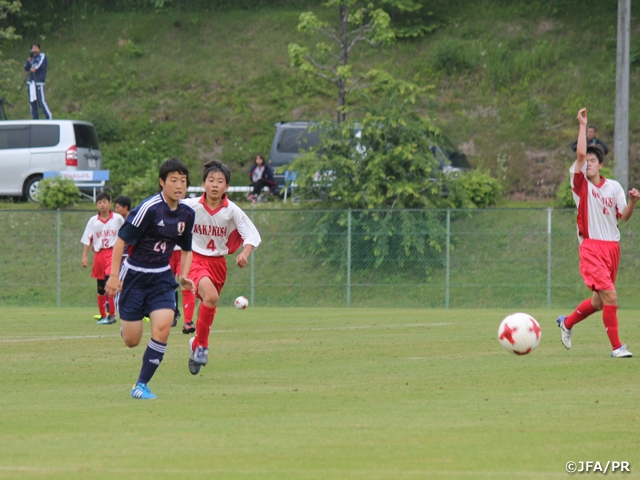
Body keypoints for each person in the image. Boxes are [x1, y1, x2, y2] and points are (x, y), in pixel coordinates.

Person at [105, 158, 196, 400]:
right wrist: (114, 276)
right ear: (162, 183)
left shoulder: (187, 213)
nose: (179, 186)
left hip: (161, 278)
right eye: (173, 181)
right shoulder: (149, 209)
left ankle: (141, 385)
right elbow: (121, 241)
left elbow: (186, 248)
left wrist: (185, 275)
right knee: (132, 341)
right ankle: (127, 326)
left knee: (163, 328)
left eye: (183, 181)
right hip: (133, 276)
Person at [557, 108, 640, 358]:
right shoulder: (580, 186)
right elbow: (581, 152)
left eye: (593, 161)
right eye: (586, 161)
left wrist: (633, 202)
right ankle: (617, 347)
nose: (588, 163)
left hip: (612, 248)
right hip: (591, 247)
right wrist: (583, 125)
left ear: (601, 165)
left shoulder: (613, 186)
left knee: (598, 301)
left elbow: (623, 217)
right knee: (611, 295)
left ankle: (567, 323)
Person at [183, 160, 261, 375]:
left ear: (227, 187)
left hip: (218, 264)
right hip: (194, 259)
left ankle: (195, 344)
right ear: (203, 184)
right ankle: (203, 347)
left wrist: (244, 254)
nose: (215, 185)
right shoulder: (190, 205)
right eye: (211, 180)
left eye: (220, 181)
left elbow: (251, 236)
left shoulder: (232, 211)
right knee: (211, 297)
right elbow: (167, 210)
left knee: (207, 304)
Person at [81, 193, 125, 325]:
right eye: (99, 202)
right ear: (96, 205)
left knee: (109, 283)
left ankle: (112, 314)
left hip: (112, 253)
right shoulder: (93, 221)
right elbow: (87, 238)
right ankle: (102, 315)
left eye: (105, 202)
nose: (102, 204)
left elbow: (125, 233)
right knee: (100, 287)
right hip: (99, 255)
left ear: (110, 203)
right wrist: (84, 256)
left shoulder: (117, 219)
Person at [23, 43, 52, 120]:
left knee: (41, 101)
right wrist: (28, 61)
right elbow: (26, 67)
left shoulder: (42, 56)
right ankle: (35, 118)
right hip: (31, 82)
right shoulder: (31, 58)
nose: (34, 50)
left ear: (39, 49)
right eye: (33, 48)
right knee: (32, 101)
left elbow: (40, 65)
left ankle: (48, 117)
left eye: (36, 48)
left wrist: (35, 68)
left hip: (38, 81)